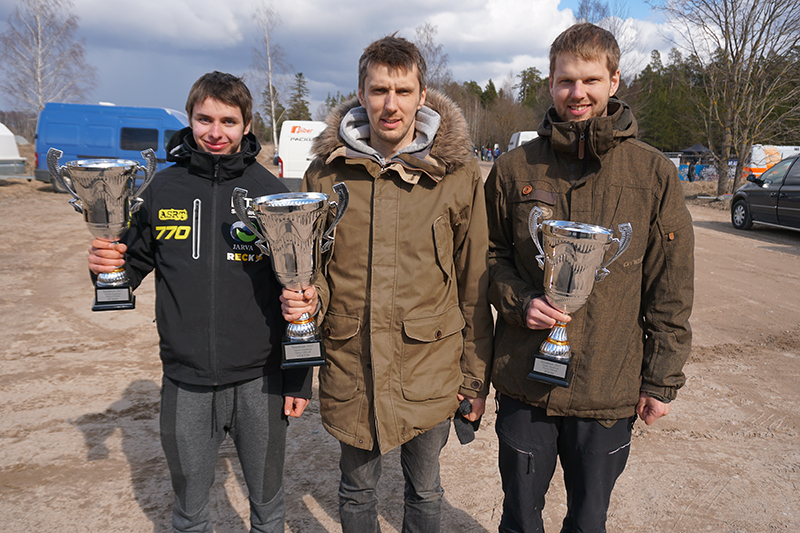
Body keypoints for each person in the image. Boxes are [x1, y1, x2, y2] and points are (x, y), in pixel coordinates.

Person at [484, 23, 694, 533]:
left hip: (608, 386)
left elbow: (669, 285)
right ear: (551, 83)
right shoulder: (513, 169)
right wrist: (519, 300)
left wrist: (661, 378)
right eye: (566, 81)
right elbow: (489, 256)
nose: (577, 93)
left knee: (588, 521)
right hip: (526, 380)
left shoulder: (653, 174)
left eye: (590, 80)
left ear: (614, 81)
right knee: (519, 519)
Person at [280, 35, 494, 532]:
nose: (390, 104)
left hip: (428, 368)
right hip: (352, 365)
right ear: (361, 93)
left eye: (403, 91)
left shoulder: (456, 174)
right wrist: (309, 300)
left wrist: (473, 378)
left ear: (422, 96)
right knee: (356, 493)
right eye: (379, 90)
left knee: (425, 491)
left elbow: (474, 284)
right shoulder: (324, 174)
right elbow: (315, 271)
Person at [88, 71, 311, 533]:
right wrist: (107, 267)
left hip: (260, 380)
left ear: (247, 124)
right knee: (189, 513)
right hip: (185, 380)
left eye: (228, 121)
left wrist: (299, 379)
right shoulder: (160, 189)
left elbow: (295, 295)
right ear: (190, 118)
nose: (215, 132)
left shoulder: (271, 192)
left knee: (269, 510)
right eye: (204, 119)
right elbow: (131, 266)